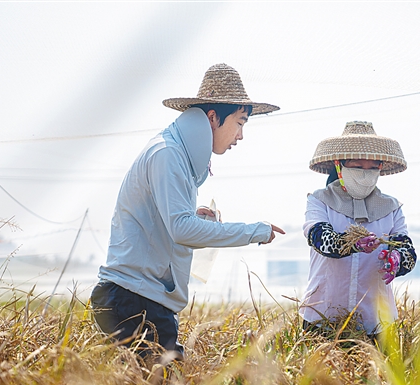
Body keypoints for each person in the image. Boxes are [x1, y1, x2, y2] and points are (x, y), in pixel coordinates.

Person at [92, 63, 285, 364]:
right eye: (240, 122)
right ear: (212, 117)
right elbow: (181, 230)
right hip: (133, 301)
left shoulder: (177, 154)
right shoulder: (168, 154)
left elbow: (167, 222)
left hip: (138, 299)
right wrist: (253, 231)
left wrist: (194, 216)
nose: (241, 135)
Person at [301, 121, 417, 335]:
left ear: (380, 168)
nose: (365, 173)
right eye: (357, 166)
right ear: (339, 166)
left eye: (372, 167)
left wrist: (397, 260)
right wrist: (352, 242)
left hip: (376, 322)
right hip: (323, 318)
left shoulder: (391, 207)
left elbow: (407, 251)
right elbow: (320, 239)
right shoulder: (319, 201)